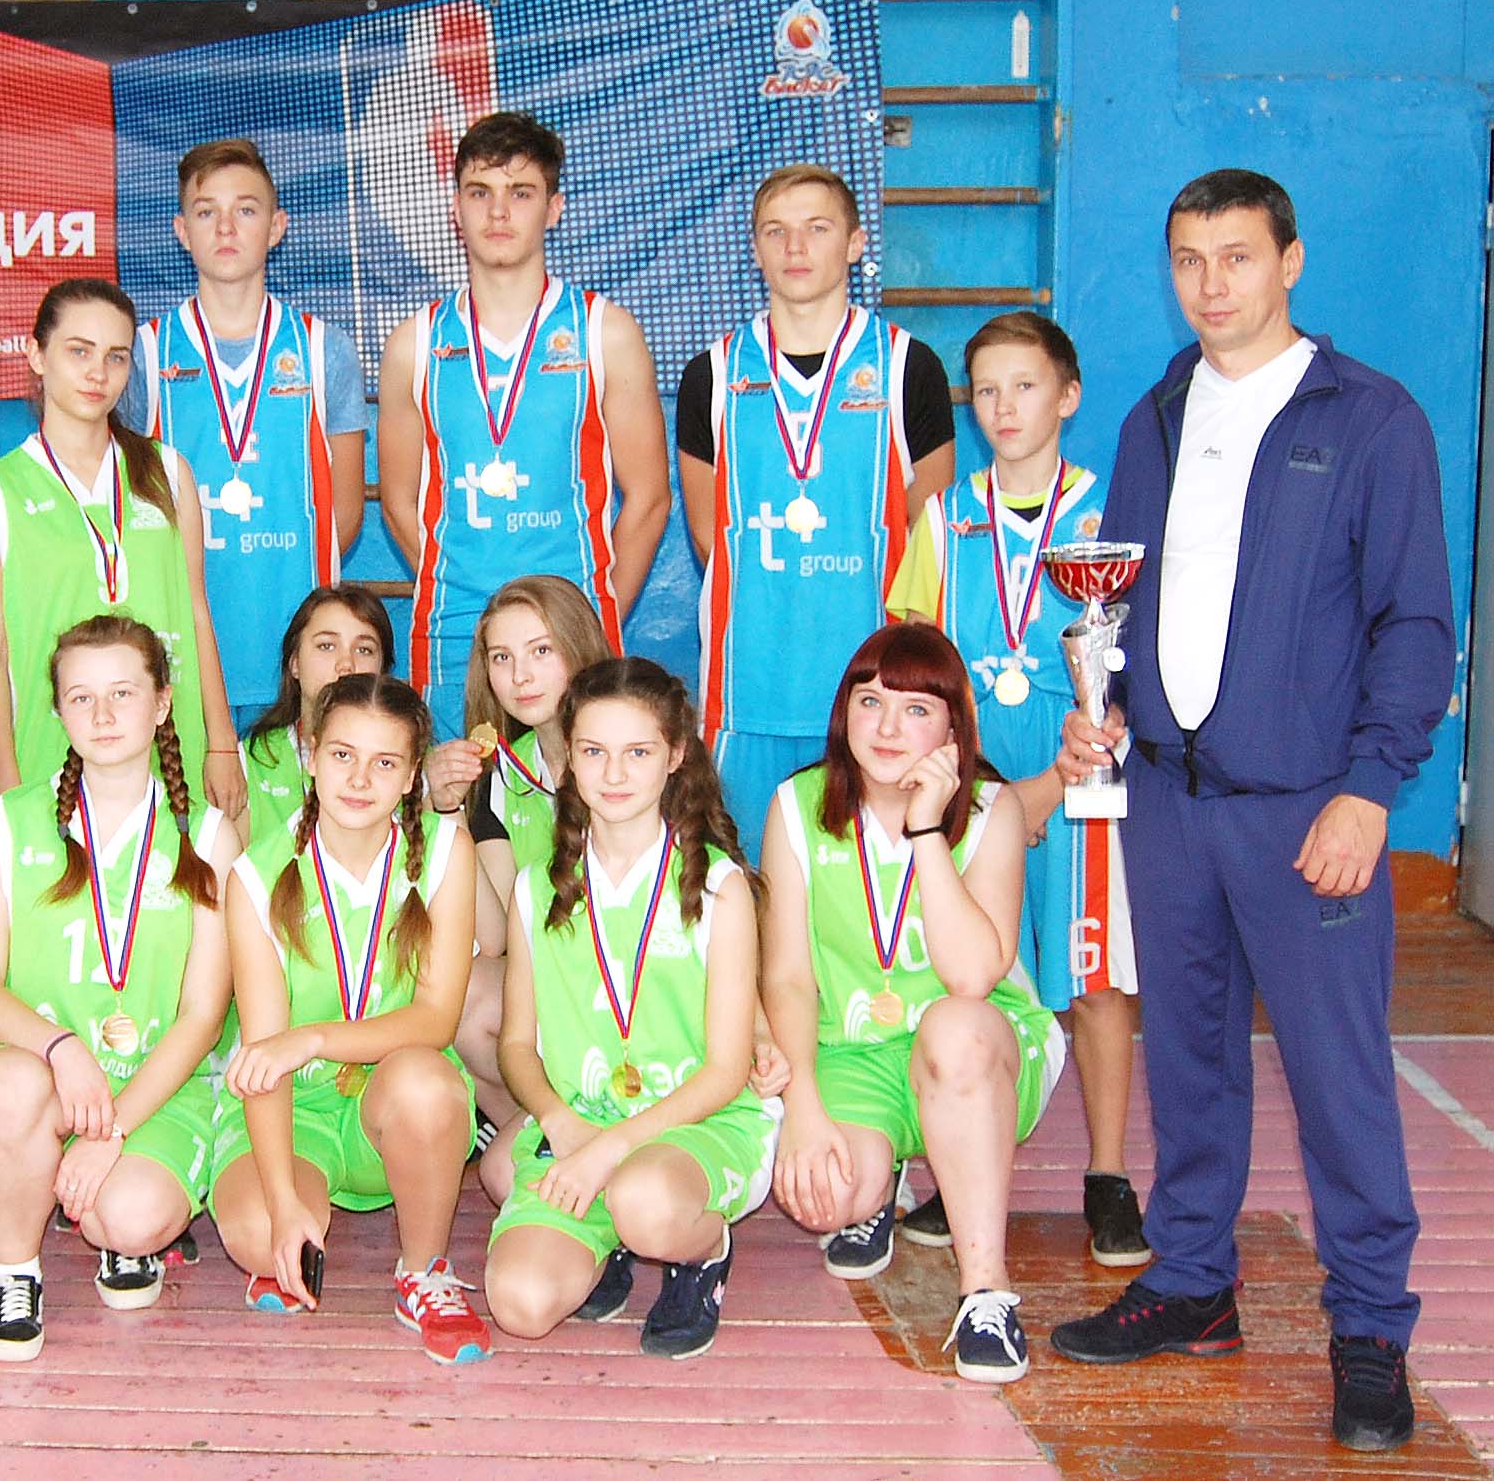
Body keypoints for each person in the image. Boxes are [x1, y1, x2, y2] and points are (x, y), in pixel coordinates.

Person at [1049, 170, 1451, 1454]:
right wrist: (1104, 709)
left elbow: (1414, 624)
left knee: (1338, 1079)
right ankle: (1192, 1283)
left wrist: (1369, 790)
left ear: (1290, 260)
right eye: (1187, 259)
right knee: (1190, 1060)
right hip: (1168, 803)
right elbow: (1116, 600)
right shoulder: (1155, 415)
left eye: (1235, 256)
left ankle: (1370, 1327)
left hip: (1306, 811)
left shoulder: (1371, 417)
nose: (1209, 283)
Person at [884, 312, 1146, 1269]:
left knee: (1094, 972)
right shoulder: (943, 518)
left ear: (1067, 395)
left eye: (1024, 386)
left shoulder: (1114, 512)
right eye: (985, 390)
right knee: (970, 970)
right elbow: (913, 657)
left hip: (1086, 765)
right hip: (977, 773)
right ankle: (958, 1166)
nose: (1002, 406)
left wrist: (1104, 726)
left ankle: (1107, 1175)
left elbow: (1147, 650)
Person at [760, 623, 1063, 1383]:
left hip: (980, 1049)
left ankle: (985, 1291)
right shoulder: (796, 806)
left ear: (954, 731)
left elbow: (971, 976)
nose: (888, 728)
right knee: (823, 1196)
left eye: (916, 709)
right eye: (870, 702)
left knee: (954, 1028)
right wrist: (802, 1107)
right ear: (844, 713)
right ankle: (880, 1182)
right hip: (853, 1048)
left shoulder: (990, 809)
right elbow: (787, 978)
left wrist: (927, 827)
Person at [0, 615, 239, 1362]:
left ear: (162, 703)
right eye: (81, 698)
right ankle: (15, 1272)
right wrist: (60, 1046)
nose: (103, 715)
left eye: (123, 693)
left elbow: (202, 1017)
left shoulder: (208, 836)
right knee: (6, 1085)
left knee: (133, 1216)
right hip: (47, 1078)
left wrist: (110, 1133)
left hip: (156, 1088)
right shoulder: (7, 825)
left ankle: (117, 1228)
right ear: (57, 711)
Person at [484, 658, 779, 1360]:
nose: (613, 773)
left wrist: (607, 1152)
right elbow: (516, 1046)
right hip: (584, 1120)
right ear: (568, 758)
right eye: (593, 751)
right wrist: (557, 1119)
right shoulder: (535, 888)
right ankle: (607, 1237)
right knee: (520, 1304)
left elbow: (725, 1071)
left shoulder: (719, 887)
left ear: (674, 756)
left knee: (645, 1202)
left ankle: (700, 1252)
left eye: (638, 752)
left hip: (699, 1120)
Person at [676, 163, 956, 860]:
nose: (795, 247)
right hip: (746, 694)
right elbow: (710, 536)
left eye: (817, 228)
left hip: (875, 702)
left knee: (867, 896)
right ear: (755, 248)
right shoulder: (711, 373)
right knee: (744, 888)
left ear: (856, 244)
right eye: (775, 231)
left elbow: (930, 536)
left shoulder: (907, 366)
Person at [211, 673, 489, 1364]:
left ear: (411, 777)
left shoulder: (445, 852)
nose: (359, 779)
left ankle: (423, 1271)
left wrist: (311, 1037)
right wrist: (282, 1202)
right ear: (310, 755)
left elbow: (436, 1020)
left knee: (426, 1081)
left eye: (385, 762)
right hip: (297, 1109)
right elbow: (265, 1062)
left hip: (392, 1102)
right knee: (260, 1232)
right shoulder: (254, 875)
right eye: (342, 755)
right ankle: (289, 1222)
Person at [375, 111, 668, 731]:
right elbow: (398, 502)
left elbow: (647, 497)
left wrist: (592, 614)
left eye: (521, 193)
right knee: (457, 790)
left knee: (580, 790)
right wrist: (456, 582)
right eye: (480, 192)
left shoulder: (606, 332)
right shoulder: (413, 344)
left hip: (570, 632)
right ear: (455, 209)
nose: (499, 212)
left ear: (554, 208)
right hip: (455, 632)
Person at [0, 279, 247, 822]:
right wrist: (4, 776)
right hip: (50, 753)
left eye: (116, 357)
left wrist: (221, 741)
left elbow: (196, 609)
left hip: (170, 747)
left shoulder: (167, 472)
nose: (98, 373)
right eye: (79, 352)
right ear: (36, 355)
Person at [126, 138, 370, 729]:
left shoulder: (325, 349)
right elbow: (129, 505)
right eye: (206, 211)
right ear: (182, 232)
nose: (226, 227)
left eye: (246, 209)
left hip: (297, 653)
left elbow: (344, 513)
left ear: (277, 226)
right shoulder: (144, 353)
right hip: (185, 648)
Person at [425, 574, 612, 1172]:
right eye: (502, 658)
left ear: (580, 647)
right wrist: (449, 812)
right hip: (555, 980)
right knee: (462, 991)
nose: (521, 676)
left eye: (541, 650)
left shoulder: (630, 753)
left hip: (640, 985)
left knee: (500, 1175)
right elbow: (498, 935)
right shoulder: (501, 774)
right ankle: (540, 1136)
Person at [234, 584, 394, 850]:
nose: (346, 664)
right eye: (326, 646)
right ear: (294, 663)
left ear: (383, 670)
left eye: (364, 649)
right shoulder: (252, 761)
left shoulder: (408, 760)